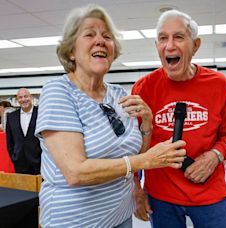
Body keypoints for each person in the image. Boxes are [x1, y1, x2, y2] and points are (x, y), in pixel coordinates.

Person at [34, 5, 186, 227]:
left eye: (107, 36)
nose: (100, 41)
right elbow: (75, 172)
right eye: (89, 34)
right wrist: (147, 161)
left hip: (120, 214)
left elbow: (134, 153)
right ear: (70, 51)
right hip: (76, 221)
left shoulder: (118, 94)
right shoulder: (58, 92)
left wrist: (147, 124)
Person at [131, 10, 226, 228]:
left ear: (196, 45)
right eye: (163, 38)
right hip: (162, 197)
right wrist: (136, 187)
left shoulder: (218, 84)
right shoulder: (143, 88)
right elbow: (133, 146)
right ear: (157, 46)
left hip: (209, 194)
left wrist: (215, 156)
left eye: (178, 37)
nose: (169, 45)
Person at [6, 88, 42, 174]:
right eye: (20, 97)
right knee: (21, 187)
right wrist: (14, 157)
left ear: (31, 97)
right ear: (17, 100)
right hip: (19, 162)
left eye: (26, 96)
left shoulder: (41, 113)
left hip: (39, 161)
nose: (23, 99)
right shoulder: (11, 117)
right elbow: (9, 141)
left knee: (40, 187)